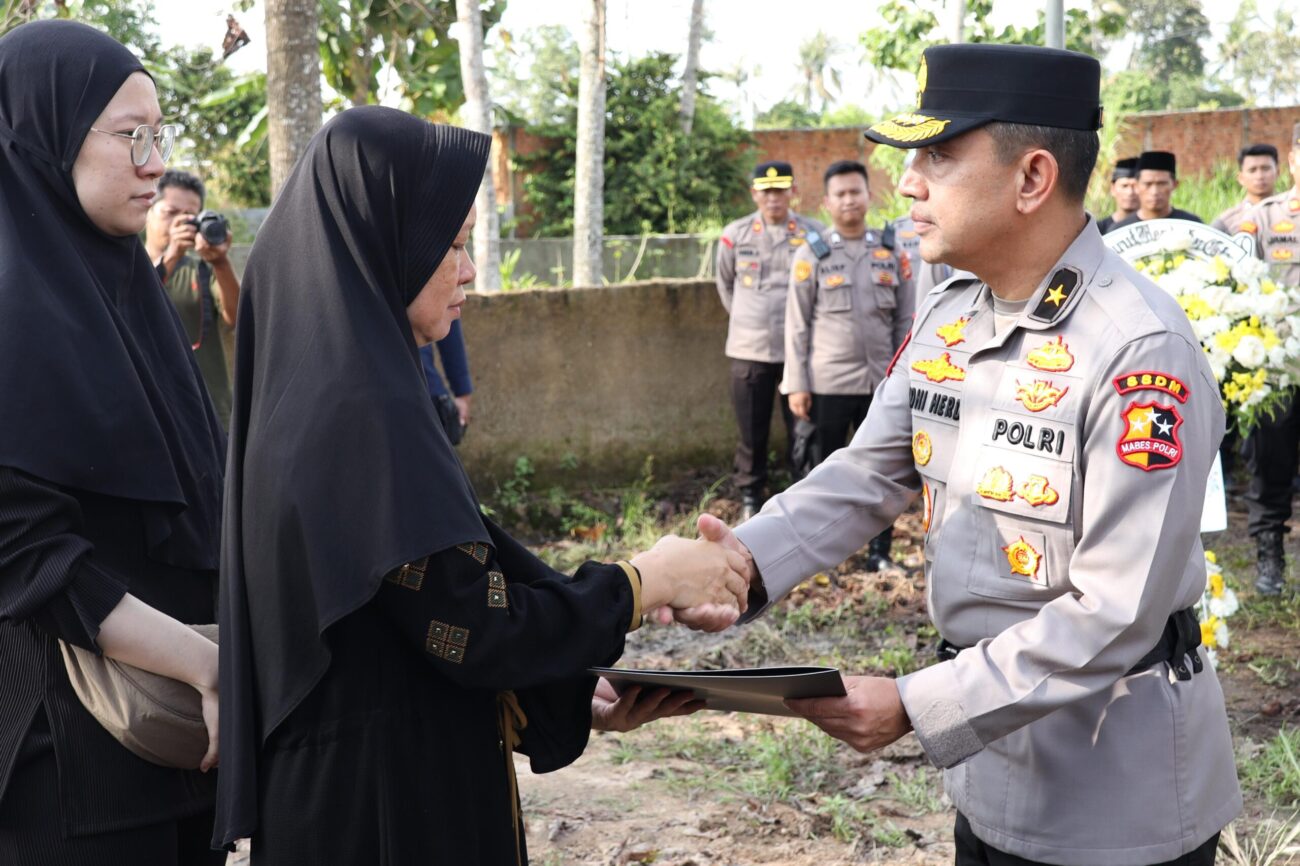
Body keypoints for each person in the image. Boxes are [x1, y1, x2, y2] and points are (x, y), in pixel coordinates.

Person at [678, 43, 1239, 866]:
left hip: (1113, 795)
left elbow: (1117, 607)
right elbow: (870, 471)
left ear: (1031, 179)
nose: (907, 183)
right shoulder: (953, 310)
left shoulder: (1138, 351)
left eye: (939, 155)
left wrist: (914, 704)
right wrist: (741, 566)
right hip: (990, 770)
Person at [212, 106, 750, 865]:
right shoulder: (362, 410)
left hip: (359, 787)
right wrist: (641, 580)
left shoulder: (319, 393)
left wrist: (568, 690)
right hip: (380, 811)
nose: (469, 271)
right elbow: (471, 628)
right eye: (453, 244)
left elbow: (422, 606)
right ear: (384, 242)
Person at [0, 20, 226, 865]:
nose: (154, 161)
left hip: (181, 743)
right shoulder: (13, 313)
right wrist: (209, 670)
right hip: (69, 766)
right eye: (129, 135)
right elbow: (30, 557)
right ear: (44, 137)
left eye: (159, 134)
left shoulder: (128, 293)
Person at [783, 160, 913, 571]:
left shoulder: (891, 252)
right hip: (829, 383)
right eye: (840, 194)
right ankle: (825, 553)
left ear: (869, 196)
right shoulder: (813, 254)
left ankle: (880, 553)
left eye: (855, 191)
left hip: (882, 384)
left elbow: (906, 323)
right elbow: (797, 325)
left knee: (883, 473)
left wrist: (904, 381)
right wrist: (797, 384)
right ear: (826, 203)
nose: (849, 200)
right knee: (826, 472)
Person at [716, 161, 826, 520]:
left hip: (801, 352)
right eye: (766, 191)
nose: (773, 198)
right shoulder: (735, 235)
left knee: (804, 429)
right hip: (751, 350)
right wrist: (752, 320)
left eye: (780, 190)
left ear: (792, 192)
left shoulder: (814, 234)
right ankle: (751, 494)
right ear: (755, 194)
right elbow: (726, 287)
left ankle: (802, 497)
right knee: (752, 429)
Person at [1238, 123, 1300, 595]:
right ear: (1293, 158)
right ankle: (1270, 562)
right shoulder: (1263, 218)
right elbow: (1240, 287)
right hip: (1278, 366)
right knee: (1270, 462)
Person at [144, 169, 240, 429]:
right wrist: (172, 254)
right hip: (151, 416)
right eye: (171, 213)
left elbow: (237, 318)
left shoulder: (202, 271)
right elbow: (134, 303)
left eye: (190, 216)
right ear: (148, 212)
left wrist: (220, 262)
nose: (182, 222)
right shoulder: (127, 267)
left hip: (210, 414)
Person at [1111, 150, 1203, 228]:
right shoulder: (1121, 230)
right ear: (1137, 185)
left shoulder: (1192, 225)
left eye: (1162, 184)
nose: (1154, 192)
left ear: (1175, 185)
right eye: (1148, 184)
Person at [420, 320, 473, 444]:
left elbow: (448, 312)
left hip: (427, 393)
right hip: (424, 392)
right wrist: (462, 390)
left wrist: (462, 390)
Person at [1211, 144, 1280, 236]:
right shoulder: (1226, 223)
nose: (1259, 176)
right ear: (1241, 178)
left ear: (1278, 173)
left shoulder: (1293, 214)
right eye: (1252, 170)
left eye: (1265, 169)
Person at [1095, 156, 1138, 234]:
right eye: (1124, 186)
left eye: (1135, 186)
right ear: (1113, 189)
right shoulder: (1098, 230)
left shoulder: (1155, 226)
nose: (1130, 192)